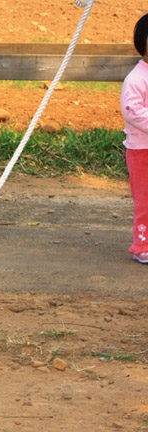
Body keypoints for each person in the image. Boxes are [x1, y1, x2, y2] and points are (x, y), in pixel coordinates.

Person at [121, 12, 148, 264]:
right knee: (145, 199)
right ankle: (142, 245)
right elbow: (132, 112)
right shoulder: (137, 78)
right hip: (142, 152)